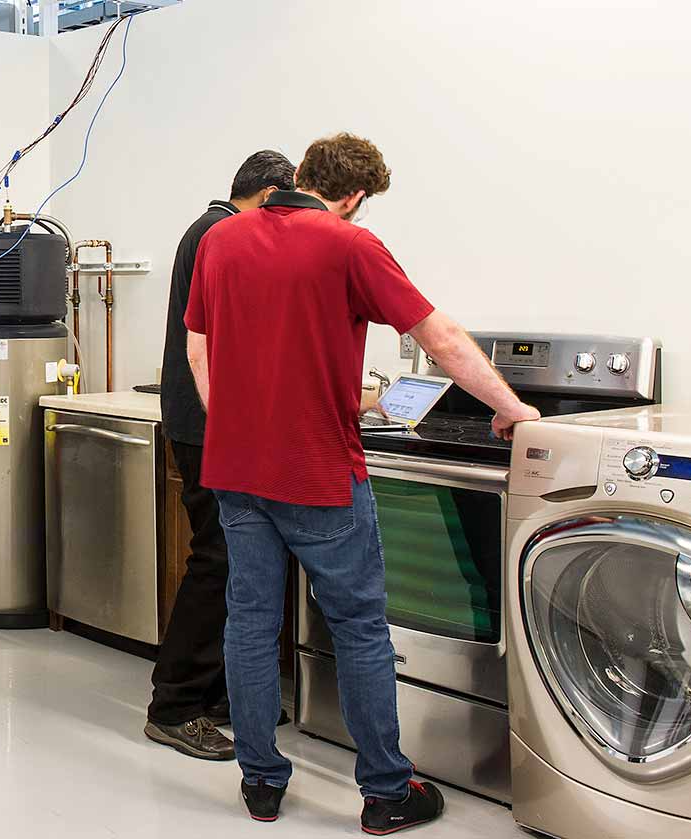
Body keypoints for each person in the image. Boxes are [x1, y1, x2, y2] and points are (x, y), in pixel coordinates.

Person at [183, 133, 539, 833]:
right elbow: (440, 338)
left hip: (236, 470)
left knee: (250, 622)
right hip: (318, 472)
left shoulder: (220, 240)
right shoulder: (349, 244)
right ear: (355, 197)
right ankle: (385, 791)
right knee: (358, 627)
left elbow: (199, 347)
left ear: (302, 173)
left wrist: (233, 423)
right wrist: (512, 407)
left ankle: (260, 782)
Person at [146, 150, 296, 763]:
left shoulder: (207, 229)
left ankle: (215, 693)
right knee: (217, 559)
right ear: (268, 195)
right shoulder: (220, 233)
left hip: (203, 420)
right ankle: (174, 705)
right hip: (207, 423)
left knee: (232, 561)